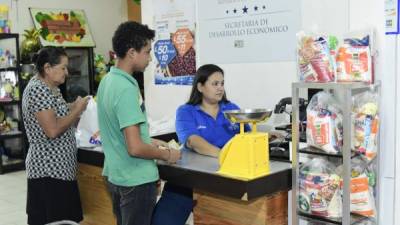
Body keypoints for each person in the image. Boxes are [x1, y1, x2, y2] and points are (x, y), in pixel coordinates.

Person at [96, 21, 181, 225]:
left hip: (116, 175)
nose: (150, 58)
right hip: (135, 180)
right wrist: (167, 154)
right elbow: (134, 147)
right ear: (132, 52)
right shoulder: (126, 88)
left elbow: (120, 132)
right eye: (147, 51)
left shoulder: (108, 81)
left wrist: (149, 140)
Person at [152, 64, 248, 225]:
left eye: (222, 83)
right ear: (200, 86)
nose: (220, 88)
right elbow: (193, 141)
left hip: (227, 178)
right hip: (188, 180)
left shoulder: (231, 109)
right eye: (215, 84)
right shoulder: (186, 111)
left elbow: (248, 135)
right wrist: (223, 155)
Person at [22, 47, 89, 225]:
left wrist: (71, 106)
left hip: (61, 170)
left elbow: (53, 112)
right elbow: (52, 129)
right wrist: (77, 111)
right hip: (49, 171)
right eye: (63, 67)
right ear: (48, 68)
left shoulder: (51, 88)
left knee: (66, 220)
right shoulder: (38, 89)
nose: (66, 72)